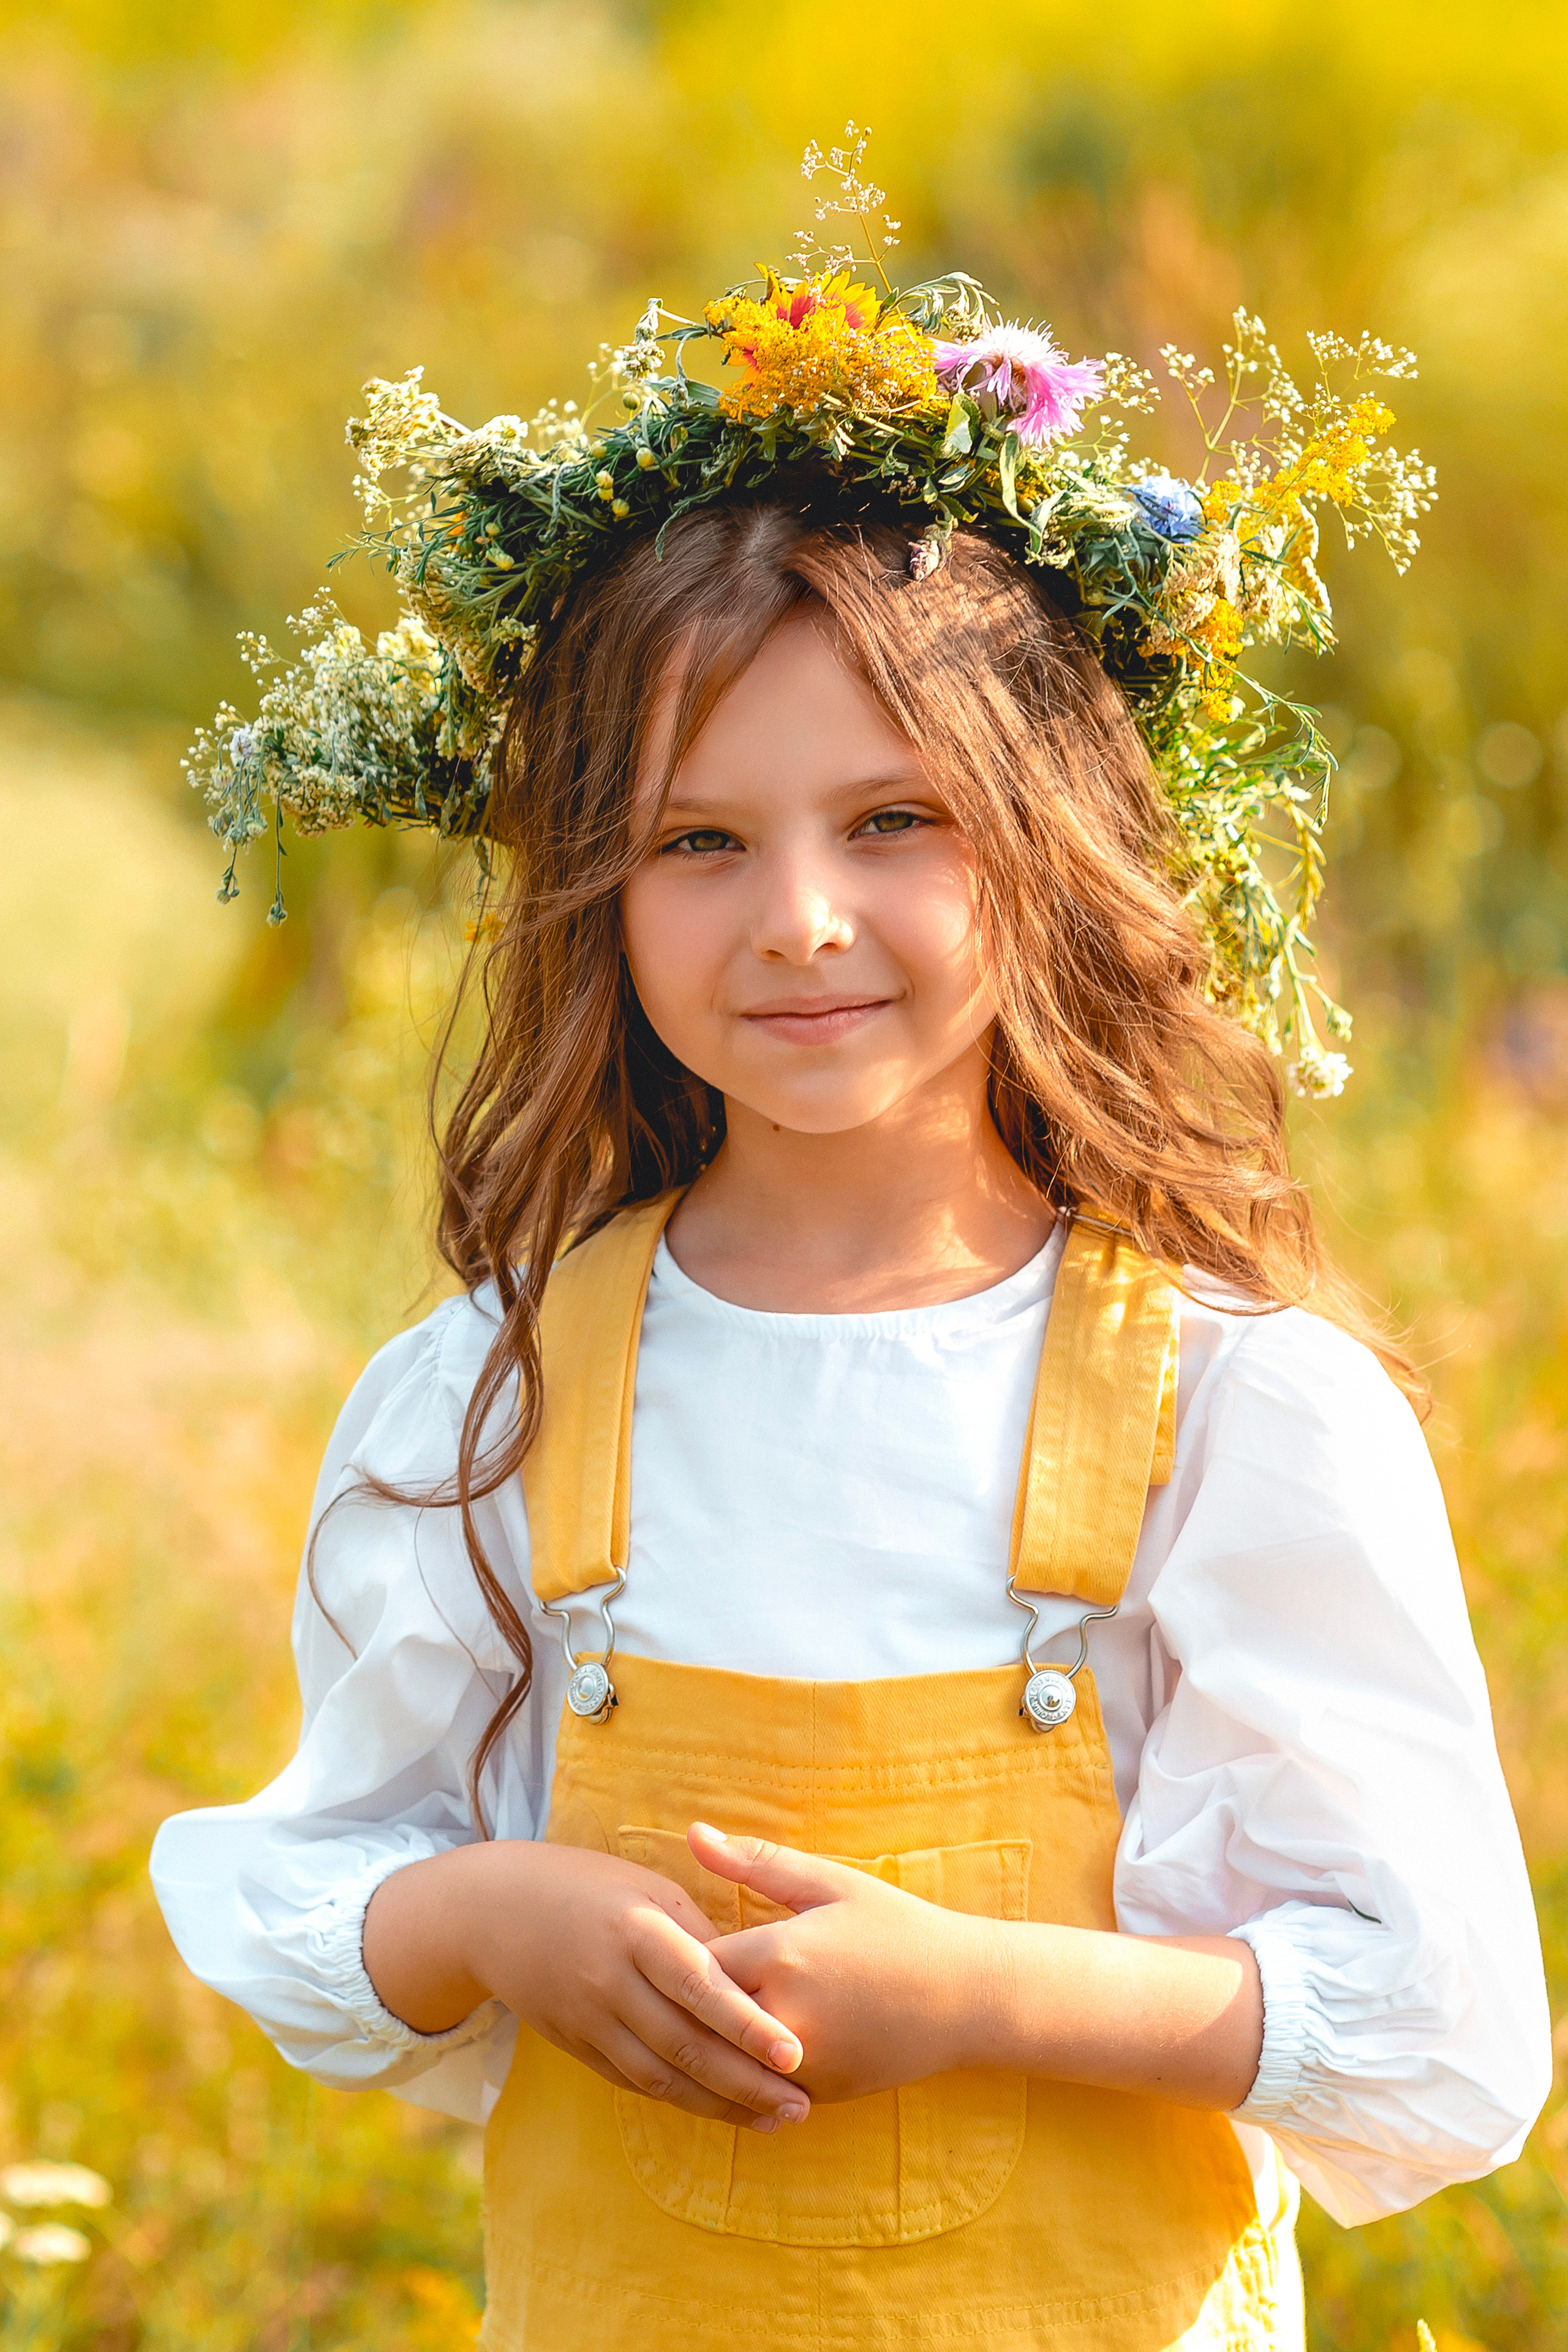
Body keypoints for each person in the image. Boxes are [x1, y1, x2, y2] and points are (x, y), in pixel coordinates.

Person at [154, 202, 1548, 2352]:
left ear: (1052, 834)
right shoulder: (497, 1398)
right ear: (596, 896)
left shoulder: (1230, 1411)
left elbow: (1441, 2026)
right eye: (699, 841)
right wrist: (495, 1911)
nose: (798, 916)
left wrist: (979, 1992)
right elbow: (314, 1898)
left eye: (892, 819)